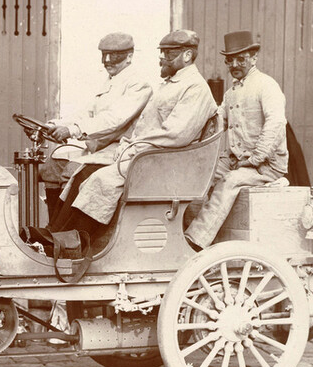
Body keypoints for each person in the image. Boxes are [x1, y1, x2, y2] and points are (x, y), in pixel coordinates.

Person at [49, 29, 216, 237]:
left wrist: (133, 147)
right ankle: (56, 236)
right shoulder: (172, 84)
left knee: (100, 180)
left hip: (163, 162)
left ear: (188, 56)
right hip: (149, 156)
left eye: (169, 53)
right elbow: (144, 127)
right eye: (162, 52)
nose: (162, 58)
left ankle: (75, 242)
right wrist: (129, 145)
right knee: (82, 174)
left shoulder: (195, 88)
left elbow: (175, 135)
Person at [184, 30, 289, 250]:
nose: (235, 65)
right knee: (198, 178)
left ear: (254, 58)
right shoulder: (232, 92)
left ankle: (196, 242)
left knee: (229, 182)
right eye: (230, 60)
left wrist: (256, 157)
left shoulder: (266, 85)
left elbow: (276, 123)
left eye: (241, 59)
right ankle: (184, 235)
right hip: (236, 160)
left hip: (265, 166)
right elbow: (217, 122)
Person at [39, 32, 153, 196]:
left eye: (113, 56)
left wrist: (74, 130)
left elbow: (114, 119)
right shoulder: (111, 80)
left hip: (120, 149)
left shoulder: (138, 84)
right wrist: (54, 125)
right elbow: (87, 113)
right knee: (52, 166)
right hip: (99, 147)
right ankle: (54, 220)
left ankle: (64, 222)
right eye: (104, 55)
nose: (107, 61)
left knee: (73, 170)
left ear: (129, 56)